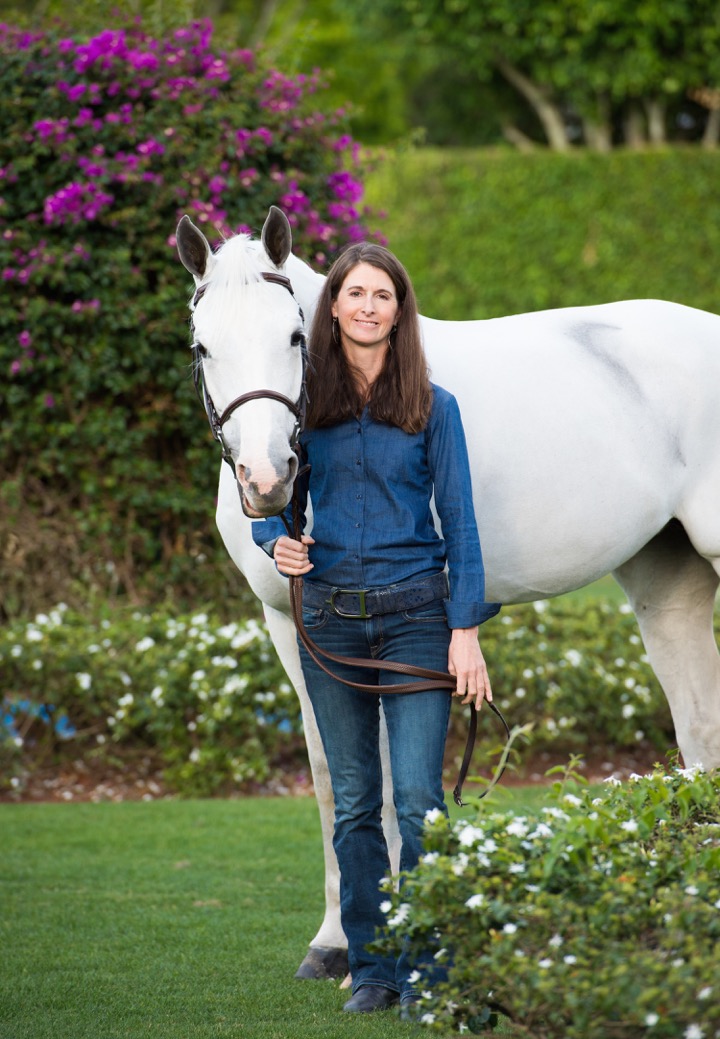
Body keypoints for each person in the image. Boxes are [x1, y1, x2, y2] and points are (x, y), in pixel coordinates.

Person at [252, 242, 500, 1017]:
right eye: (353, 292)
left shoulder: (435, 403)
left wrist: (467, 630)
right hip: (329, 622)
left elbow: (460, 524)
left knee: (421, 797)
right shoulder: (304, 405)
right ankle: (374, 967)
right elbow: (271, 502)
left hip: (417, 618)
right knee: (358, 802)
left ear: (400, 310)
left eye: (381, 295)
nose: (366, 305)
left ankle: (431, 963)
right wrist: (274, 541)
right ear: (332, 306)